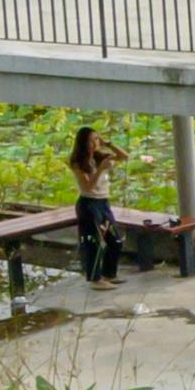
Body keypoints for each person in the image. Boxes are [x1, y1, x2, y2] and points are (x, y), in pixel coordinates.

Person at [64, 118, 124, 286]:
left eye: (96, 139)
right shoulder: (78, 162)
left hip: (103, 203)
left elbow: (123, 156)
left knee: (115, 240)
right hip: (88, 204)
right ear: (83, 143)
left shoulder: (100, 157)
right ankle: (95, 279)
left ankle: (109, 274)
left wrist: (108, 144)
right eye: (90, 140)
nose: (94, 143)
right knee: (94, 243)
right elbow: (88, 187)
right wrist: (100, 170)